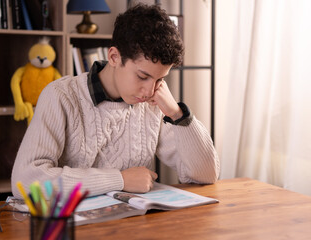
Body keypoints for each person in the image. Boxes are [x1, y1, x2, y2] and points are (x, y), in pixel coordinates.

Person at [11, 3, 220, 198]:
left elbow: (206, 175)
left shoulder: (153, 103)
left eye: (160, 79)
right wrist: (119, 180)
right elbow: (25, 182)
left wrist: (177, 114)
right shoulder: (60, 96)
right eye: (142, 76)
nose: (149, 90)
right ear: (114, 57)